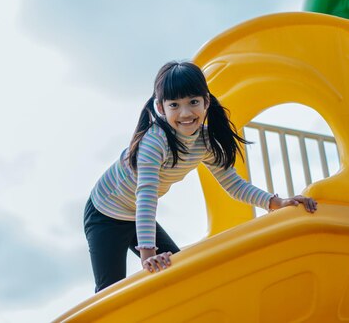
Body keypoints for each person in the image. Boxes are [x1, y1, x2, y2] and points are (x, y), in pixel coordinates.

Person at [83, 61, 317, 293]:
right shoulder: (155, 141)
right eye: (175, 104)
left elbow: (233, 184)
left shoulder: (205, 142)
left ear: (206, 101)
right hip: (105, 214)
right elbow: (146, 195)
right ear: (161, 108)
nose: (185, 113)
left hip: (136, 215)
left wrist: (277, 203)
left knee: (179, 271)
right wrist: (148, 255)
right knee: (109, 290)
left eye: (193, 102)